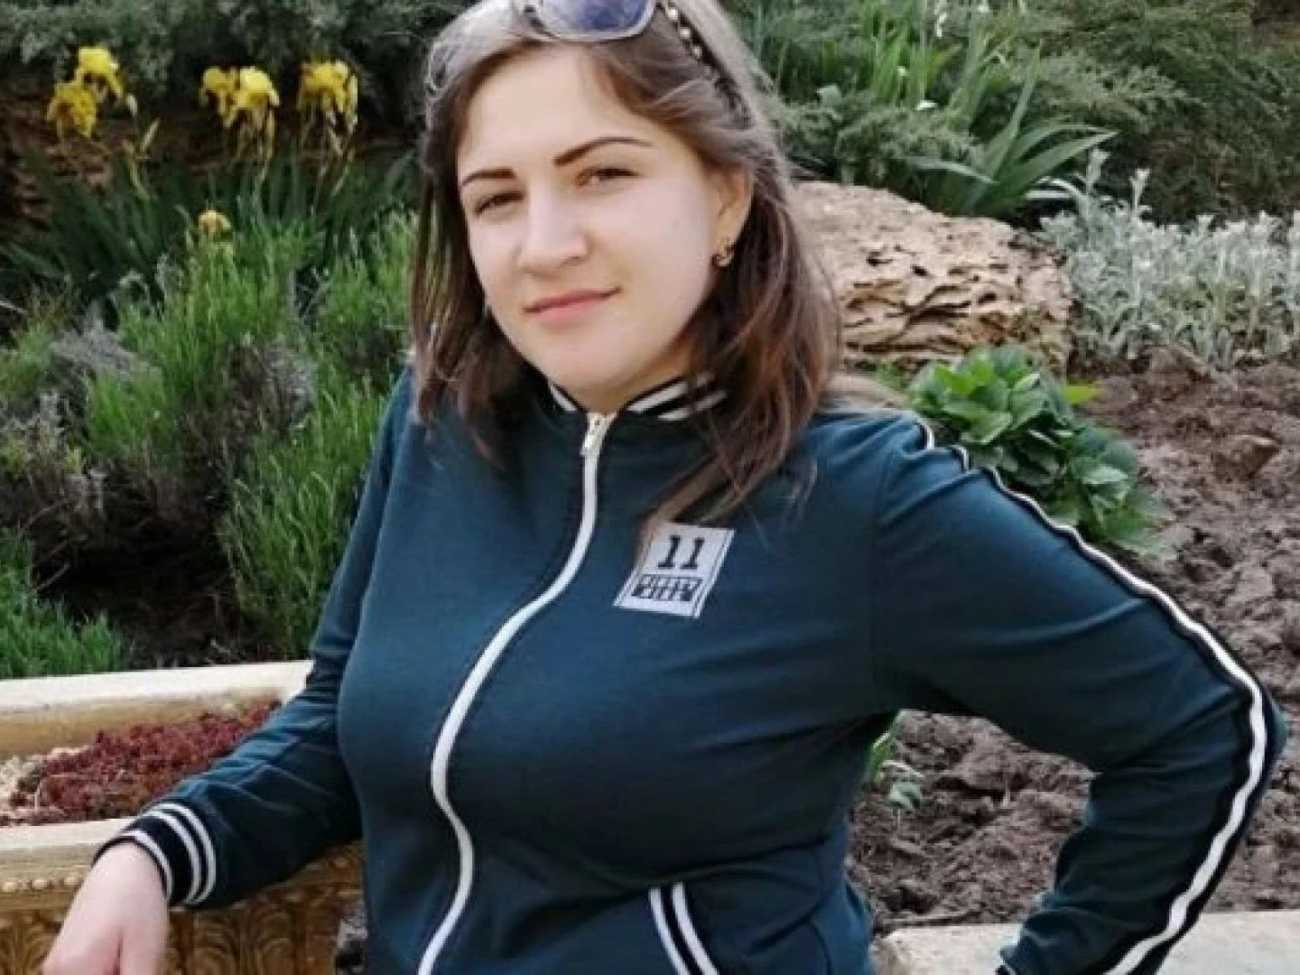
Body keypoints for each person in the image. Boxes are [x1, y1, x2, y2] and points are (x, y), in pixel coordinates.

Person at [43, 1, 1289, 973]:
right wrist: (157, 851)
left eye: (603, 174)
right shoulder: (440, 422)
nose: (545, 244)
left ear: (725, 195)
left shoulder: (849, 498)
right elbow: (338, 718)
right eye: (496, 197)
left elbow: (1200, 730)